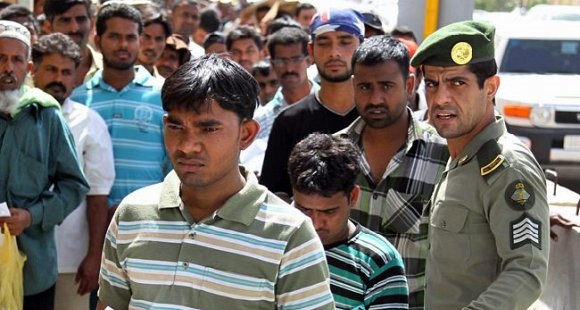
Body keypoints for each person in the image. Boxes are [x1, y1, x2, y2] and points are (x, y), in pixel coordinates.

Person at [97, 54, 335, 310]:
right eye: (176, 126)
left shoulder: (290, 234)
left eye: (208, 129)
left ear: (246, 134)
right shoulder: (132, 213)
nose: (187, 146)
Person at [410, 20, 550, 309]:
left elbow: (526, 272)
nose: (441, 98)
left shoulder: (507, 167)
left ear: (491, 87)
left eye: (457, 83)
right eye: (432, 84)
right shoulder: (460, 158)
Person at [335, 35, 448, 309]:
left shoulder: (444, 155)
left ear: (409, 85)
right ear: (353, 86)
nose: (375, 98)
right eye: (365, 87)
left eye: (386, 86)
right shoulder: (334, 152)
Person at [0, 20, 89, 310]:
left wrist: (31, 215)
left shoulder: (47, 115)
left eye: (15, 59)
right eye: (0, 58)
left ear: (28, 67)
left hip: (33, 268)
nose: (7, 68)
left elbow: (73, 185)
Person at [31, 32, 115, 310]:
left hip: (71, 259)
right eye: (51, 69)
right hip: (16, 253)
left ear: (77, 77)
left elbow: (98, 195)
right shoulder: (11, 116)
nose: (59, 78)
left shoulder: (90, 123)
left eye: (67, 72)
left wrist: (93, 256)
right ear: (33, 69)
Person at [288, 133, 409, 309]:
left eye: (328, 211)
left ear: (353, 196)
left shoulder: (378, 261)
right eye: (304, 210)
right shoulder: (276, 243)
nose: (315, 223)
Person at [70, 2, 169, 210]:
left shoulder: (162, 95)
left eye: (131, 37)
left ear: (140, 42)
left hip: (147, 218)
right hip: (87, 221)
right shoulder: (78, 99)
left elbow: (172, 163)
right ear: (97, 41)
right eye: (114, 37)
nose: (123, 44)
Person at [260, 8, 363, 199]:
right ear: (311, 51)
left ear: (362, 47)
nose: (334, 52)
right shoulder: (289, 121)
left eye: (345, 42)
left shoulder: (376, 117)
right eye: (324, 43)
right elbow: (273, 194)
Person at [43, 0, 102, 86]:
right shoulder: (33, 73)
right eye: (65, 20)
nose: (74, 29)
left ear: (92, 25)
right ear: (48, 27)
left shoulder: (110, 70)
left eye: (81, 19)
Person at [135, 3, 172, 78]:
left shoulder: (163, 87)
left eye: (159, 39)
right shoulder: (108, 80)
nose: (152, 46)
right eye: (146, 37)